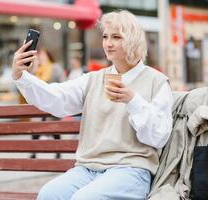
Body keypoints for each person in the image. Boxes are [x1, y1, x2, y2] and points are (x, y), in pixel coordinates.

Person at [12, 10, 173, 200]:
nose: (108, 43)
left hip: (131, 170)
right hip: (88, 169)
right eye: (105, 36)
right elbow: (58, 98)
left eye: (116, 37)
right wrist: (21, 76)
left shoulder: (157, 82)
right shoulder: (93, 79)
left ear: (133, 39)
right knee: (48, 195)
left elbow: (159, 136)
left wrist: (133, 100)